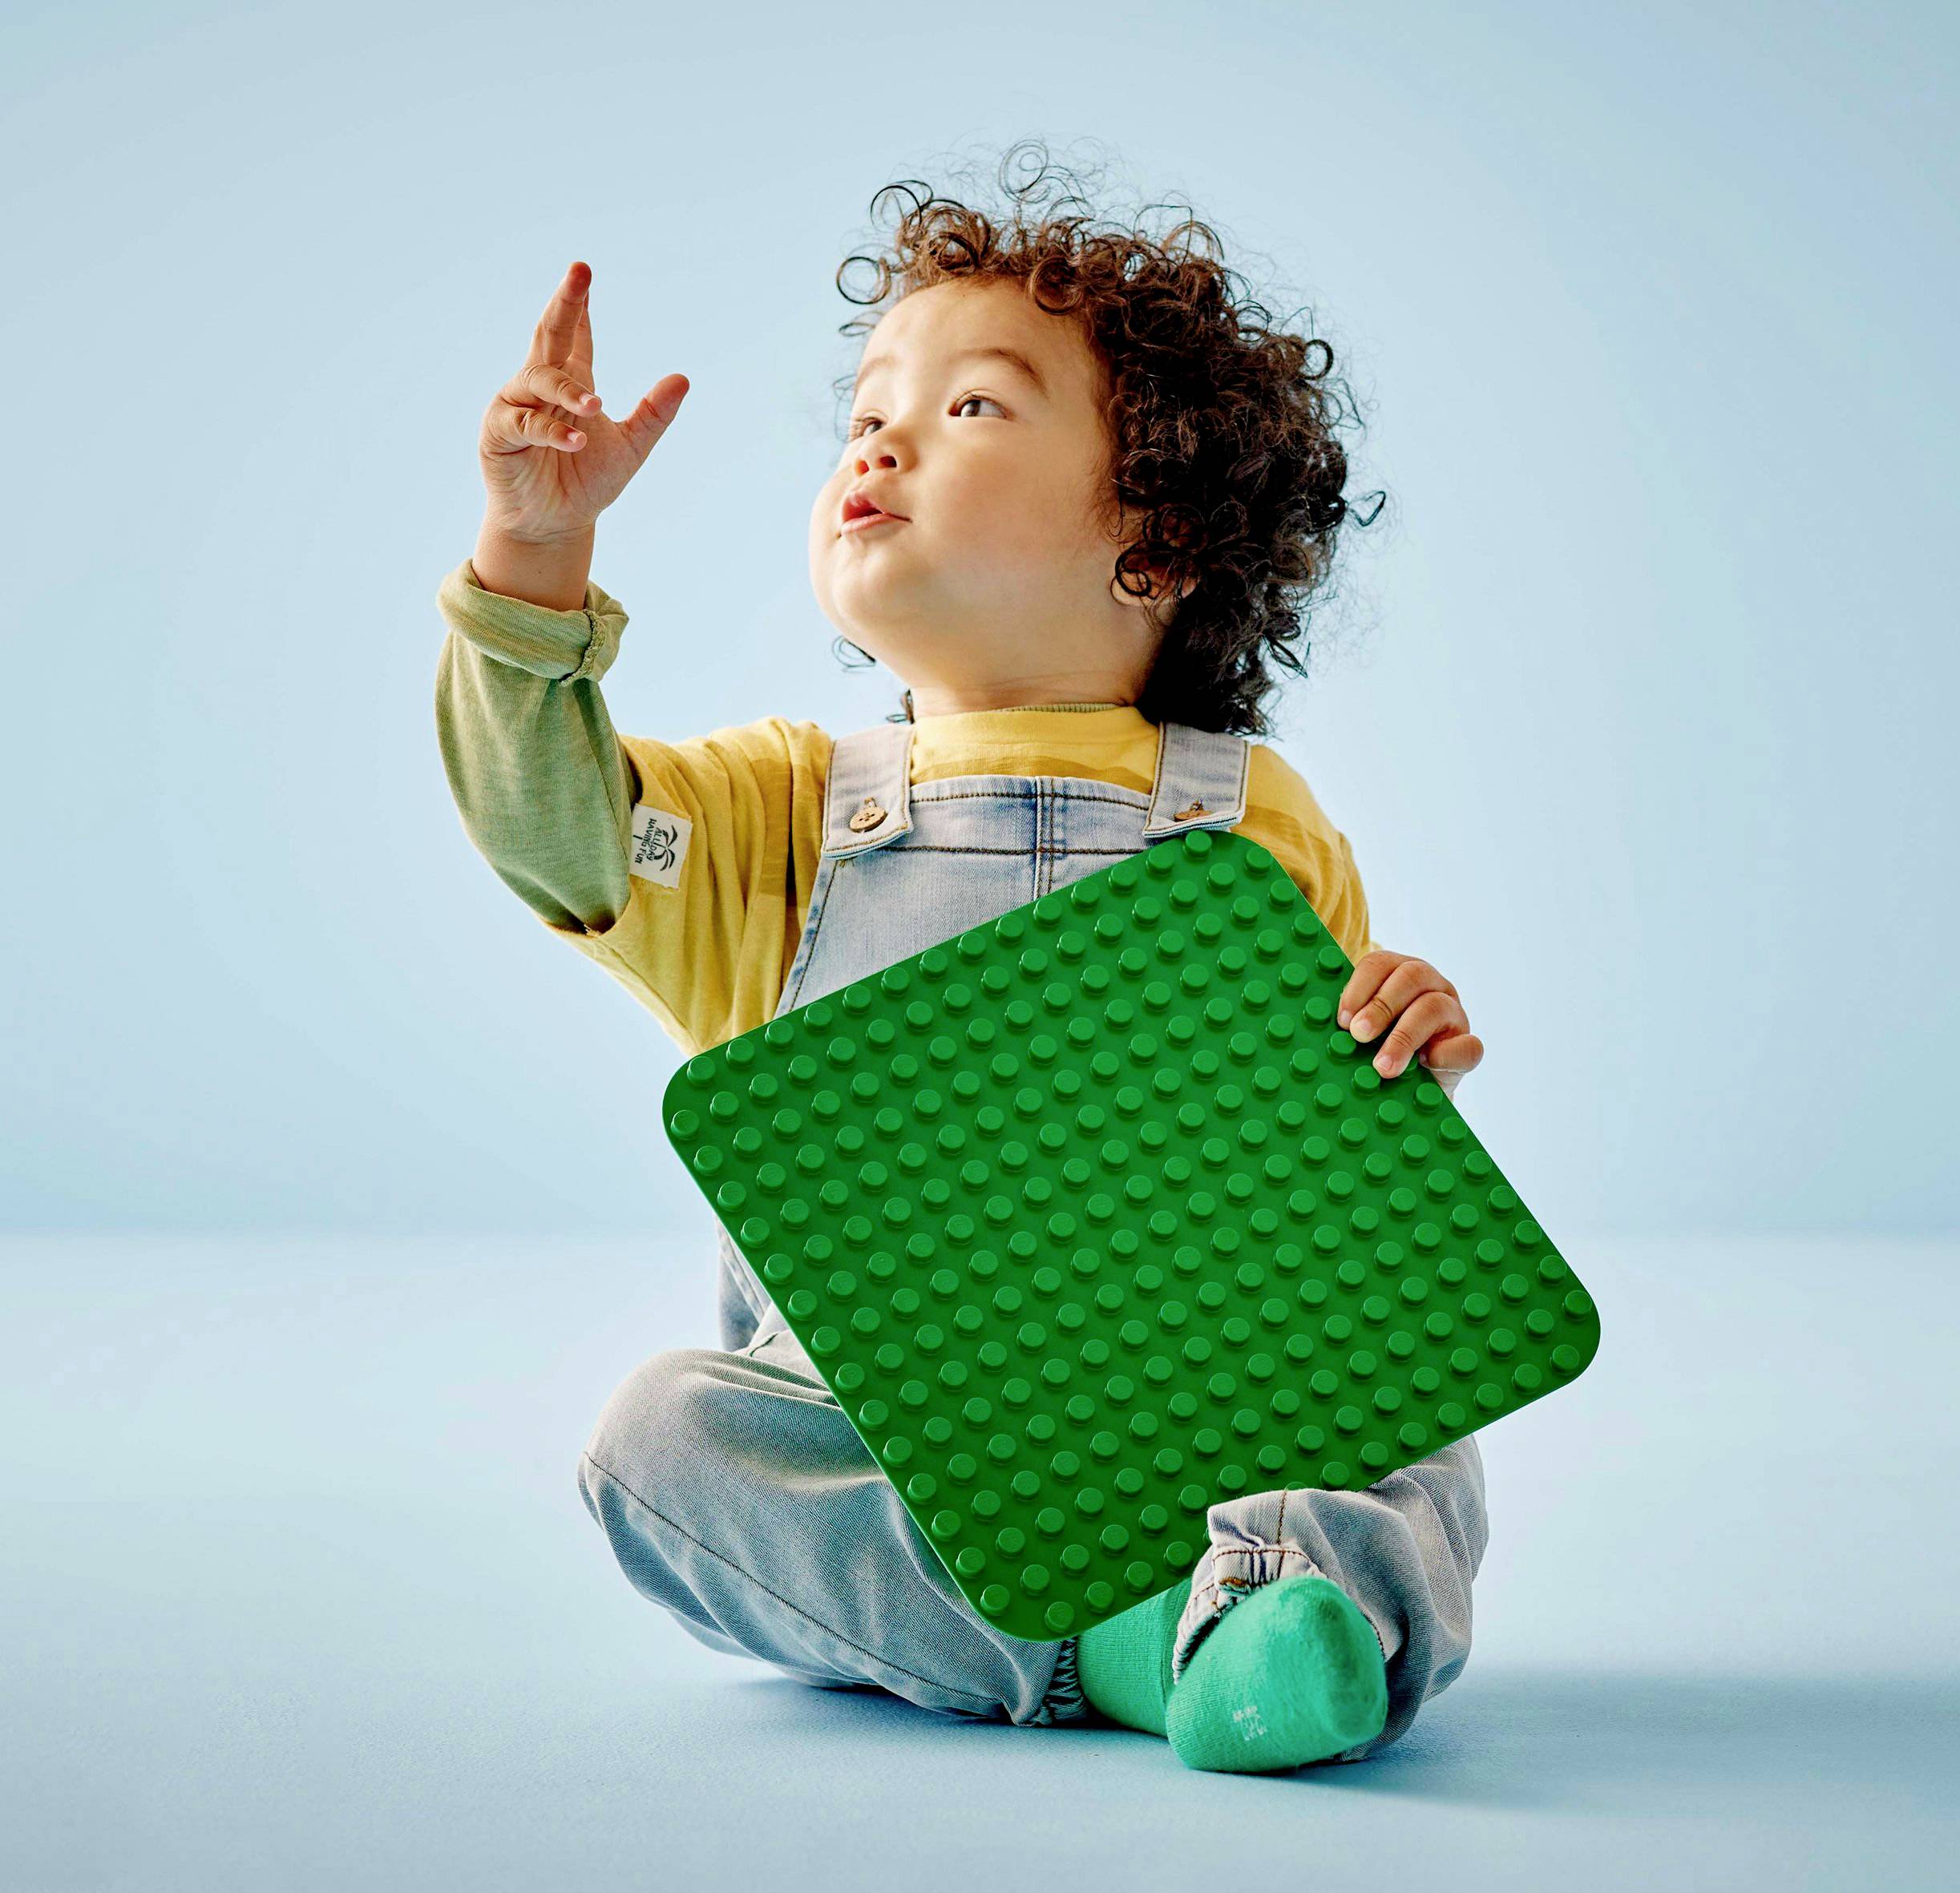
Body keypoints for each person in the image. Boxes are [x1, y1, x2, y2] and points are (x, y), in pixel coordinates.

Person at [434, 151, 1489, 1775]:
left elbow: (1330, 1180)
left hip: (1211, 1401)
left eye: (972, 405)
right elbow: (559, 833)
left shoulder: (1255, 818)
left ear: (1158, 542)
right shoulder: (782, 815)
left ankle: (1268, 1593)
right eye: (868, 409)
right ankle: (1145, 1645)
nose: (879, 438)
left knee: (1417, 1427)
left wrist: (1404, 1036)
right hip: (908, 1438)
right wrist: (532, 556)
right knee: (661, 1443)